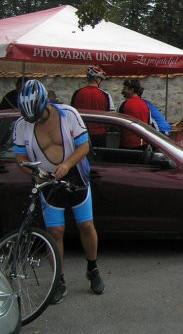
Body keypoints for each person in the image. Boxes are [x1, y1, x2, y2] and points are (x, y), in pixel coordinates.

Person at [13, 79, 104, 304]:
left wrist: (67, 164)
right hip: (47, 181)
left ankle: (92, 268)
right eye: (29, 118)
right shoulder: (21, 125)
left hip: (76, 176)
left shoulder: (68, 114)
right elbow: (20, 158)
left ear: (46, 103)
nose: (33, 121)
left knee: (86, 225)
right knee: (55, 232)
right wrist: (32, 173)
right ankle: (58, 280)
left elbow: (84, 146)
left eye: (37, 115)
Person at [71, 65, 115, 147]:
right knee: (99, 158)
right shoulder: (105, 95)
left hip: (81, 134)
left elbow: (72, 115)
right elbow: (111, 117)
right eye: (101, 80)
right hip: (99, 135)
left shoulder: (77, 93)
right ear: (97, 79)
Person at [117, 79, 151, 149]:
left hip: (127, 145)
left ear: (132, 90)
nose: (122, 92)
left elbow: (118, 124)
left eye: (125, 88)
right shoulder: (145, 105)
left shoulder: (125, 104)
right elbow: (148, 123)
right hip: (143, 145)